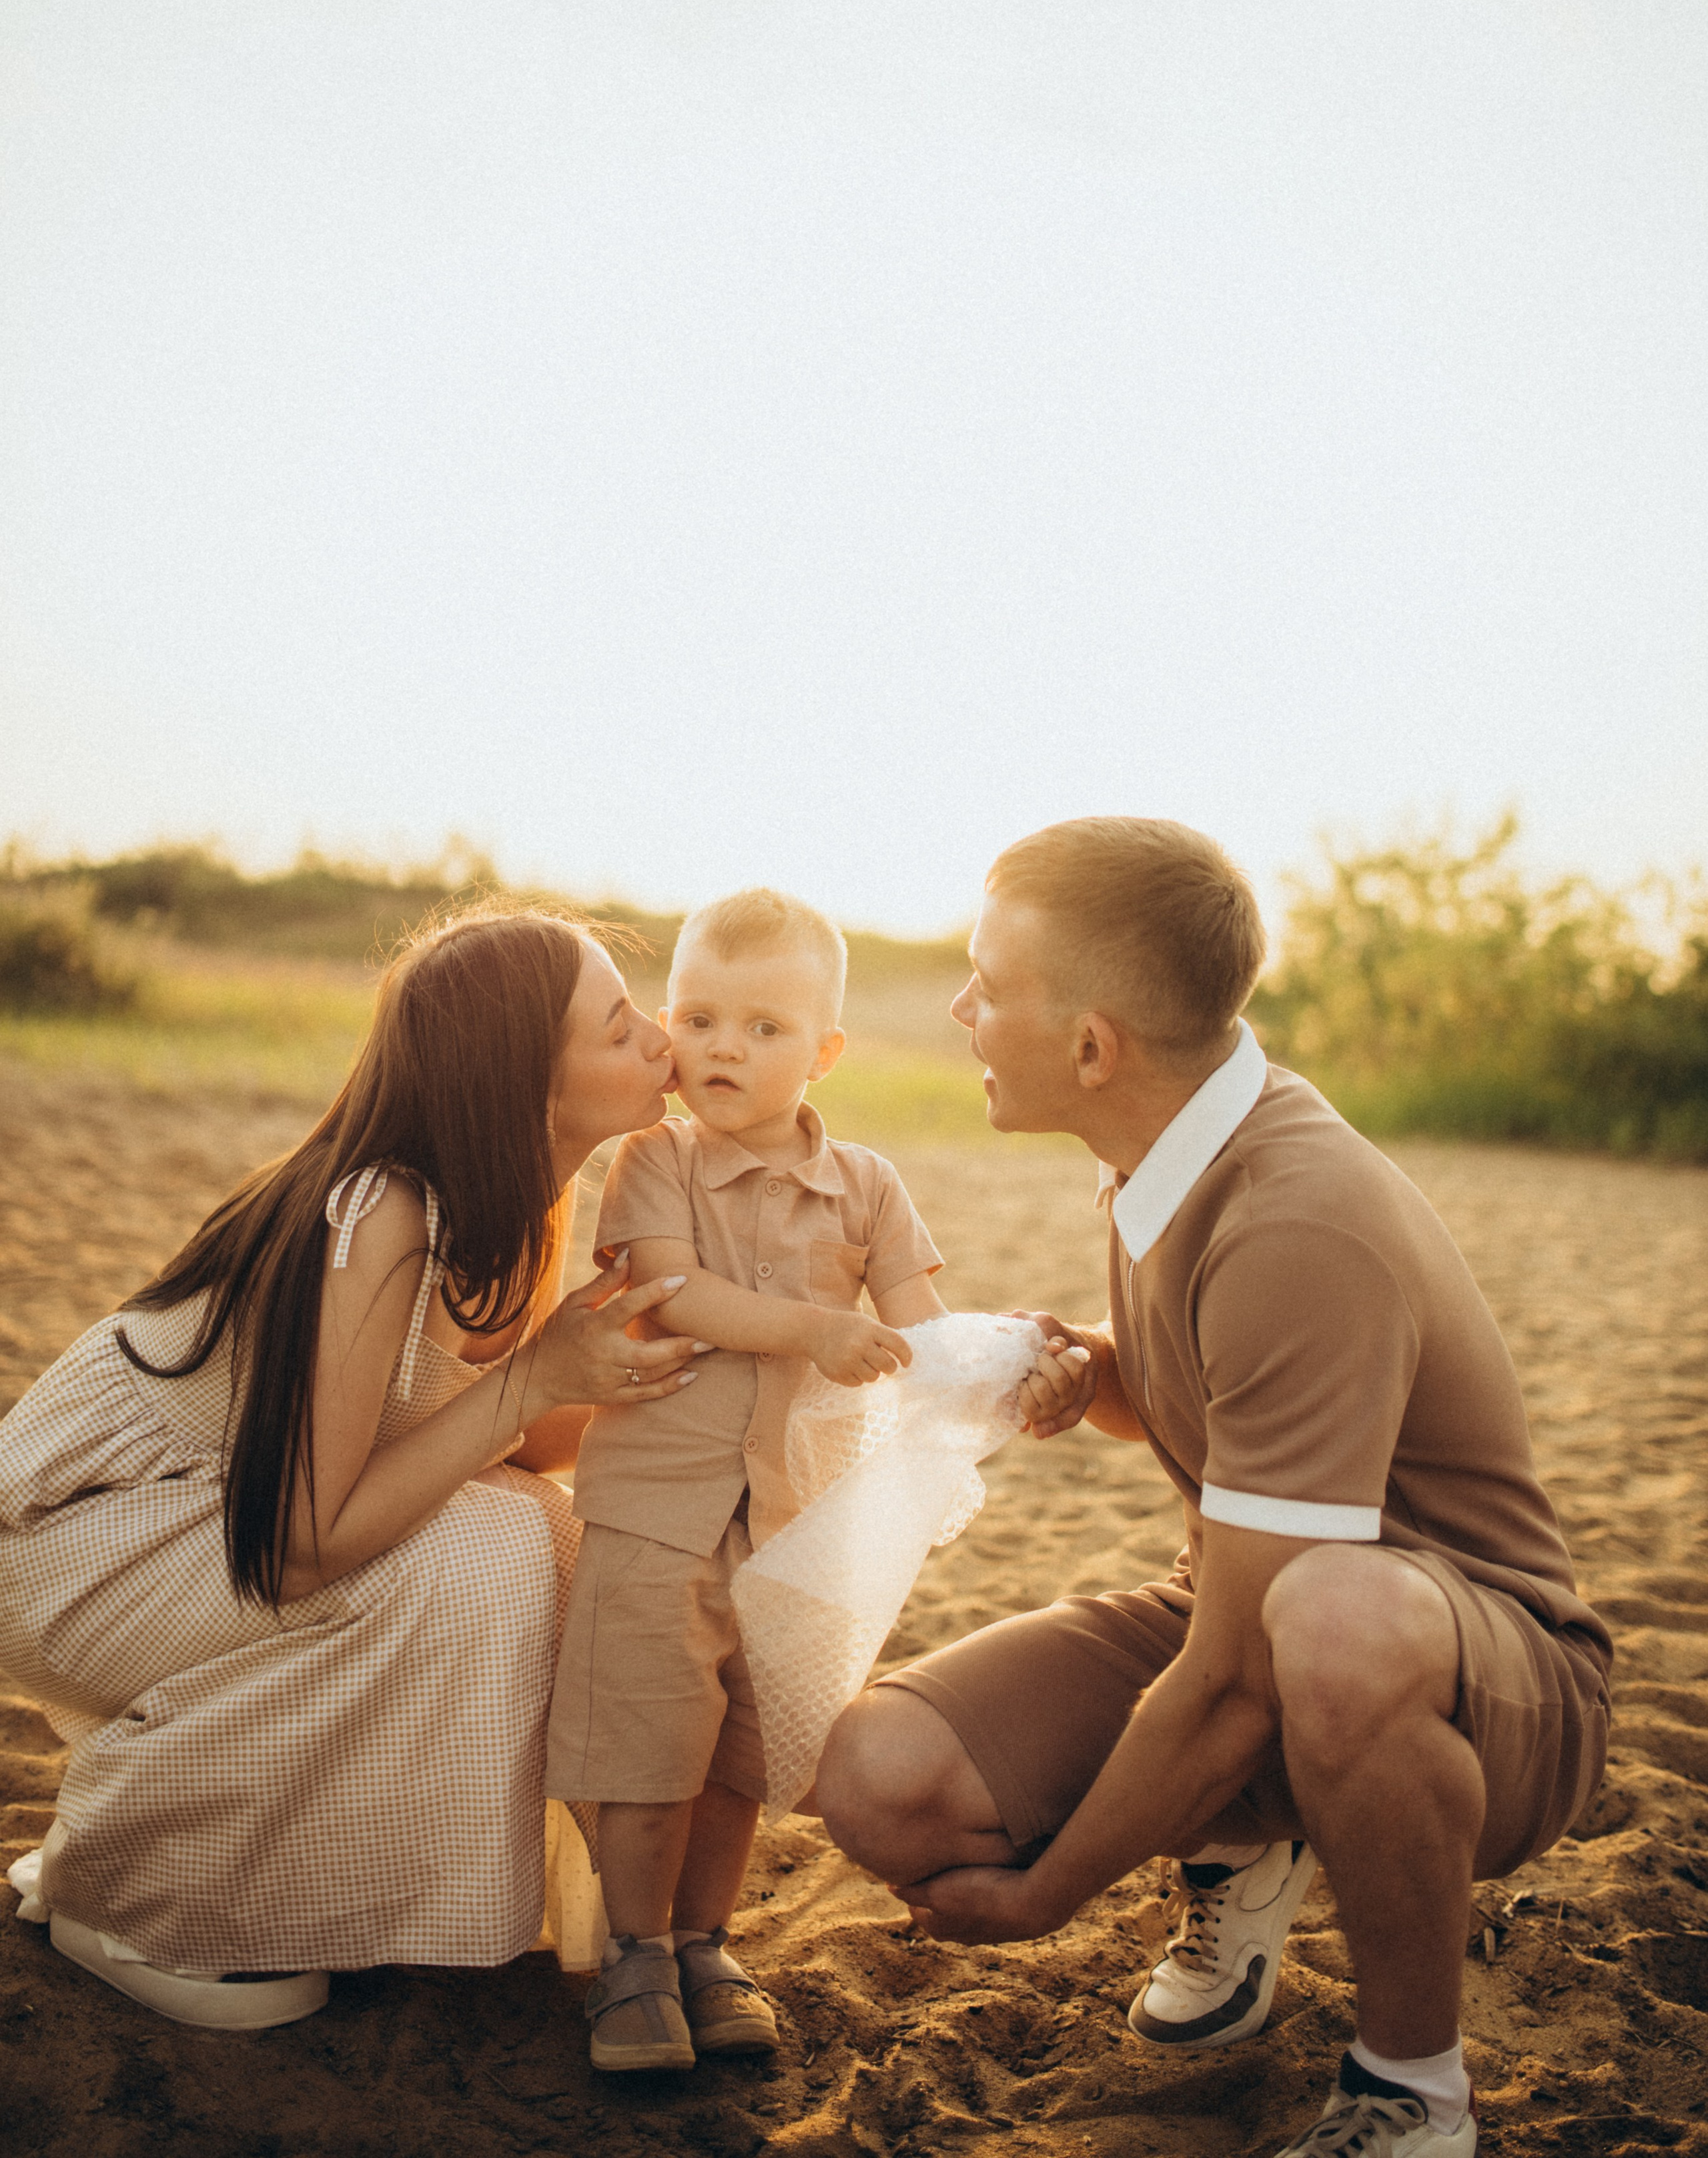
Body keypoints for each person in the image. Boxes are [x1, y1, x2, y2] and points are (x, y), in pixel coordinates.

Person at [815, 819, 1613, 2158]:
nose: (960, 1011)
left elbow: (1243, 1674)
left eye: (986, 985)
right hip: (1250, 1619)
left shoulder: (1293, 1216)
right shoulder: (1169, 1139)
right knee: (880, 1778)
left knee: (1329, 1629)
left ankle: (1411, 2091)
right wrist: (1093, 1370)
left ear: (1093, 1047)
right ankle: (1250, 1843)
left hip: (1483, 1674)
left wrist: (1050, 1898)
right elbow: (1222, 1404)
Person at [0, 904, 704, 2029]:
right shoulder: (383, 1212)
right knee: (493, 1544)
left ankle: (275, 1877)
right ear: (526, 1084)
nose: (662, 1038)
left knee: (539, 1526)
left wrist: (659, 1372)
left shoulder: (521, 1200)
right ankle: (125, 1890)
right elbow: (303, 1545)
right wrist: (541, 1376)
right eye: (620, 1028)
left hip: (222, 1523)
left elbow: (502, 1437)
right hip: (85, 1543)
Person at [544, 887, 1080, 2073]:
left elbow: (925, 1333)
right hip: (659, 1510)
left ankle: (702, 1941)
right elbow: (672, 1293)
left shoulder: (869, 1186)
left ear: (823, 1052)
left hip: (793, 1522)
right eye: (699, 1019)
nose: (723, 1047)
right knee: (647, 1742)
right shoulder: (655, 1161)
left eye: (764, 1028)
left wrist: (1016, 1369)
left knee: (737, 1755)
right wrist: (813, 1331)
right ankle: (633, 1955)